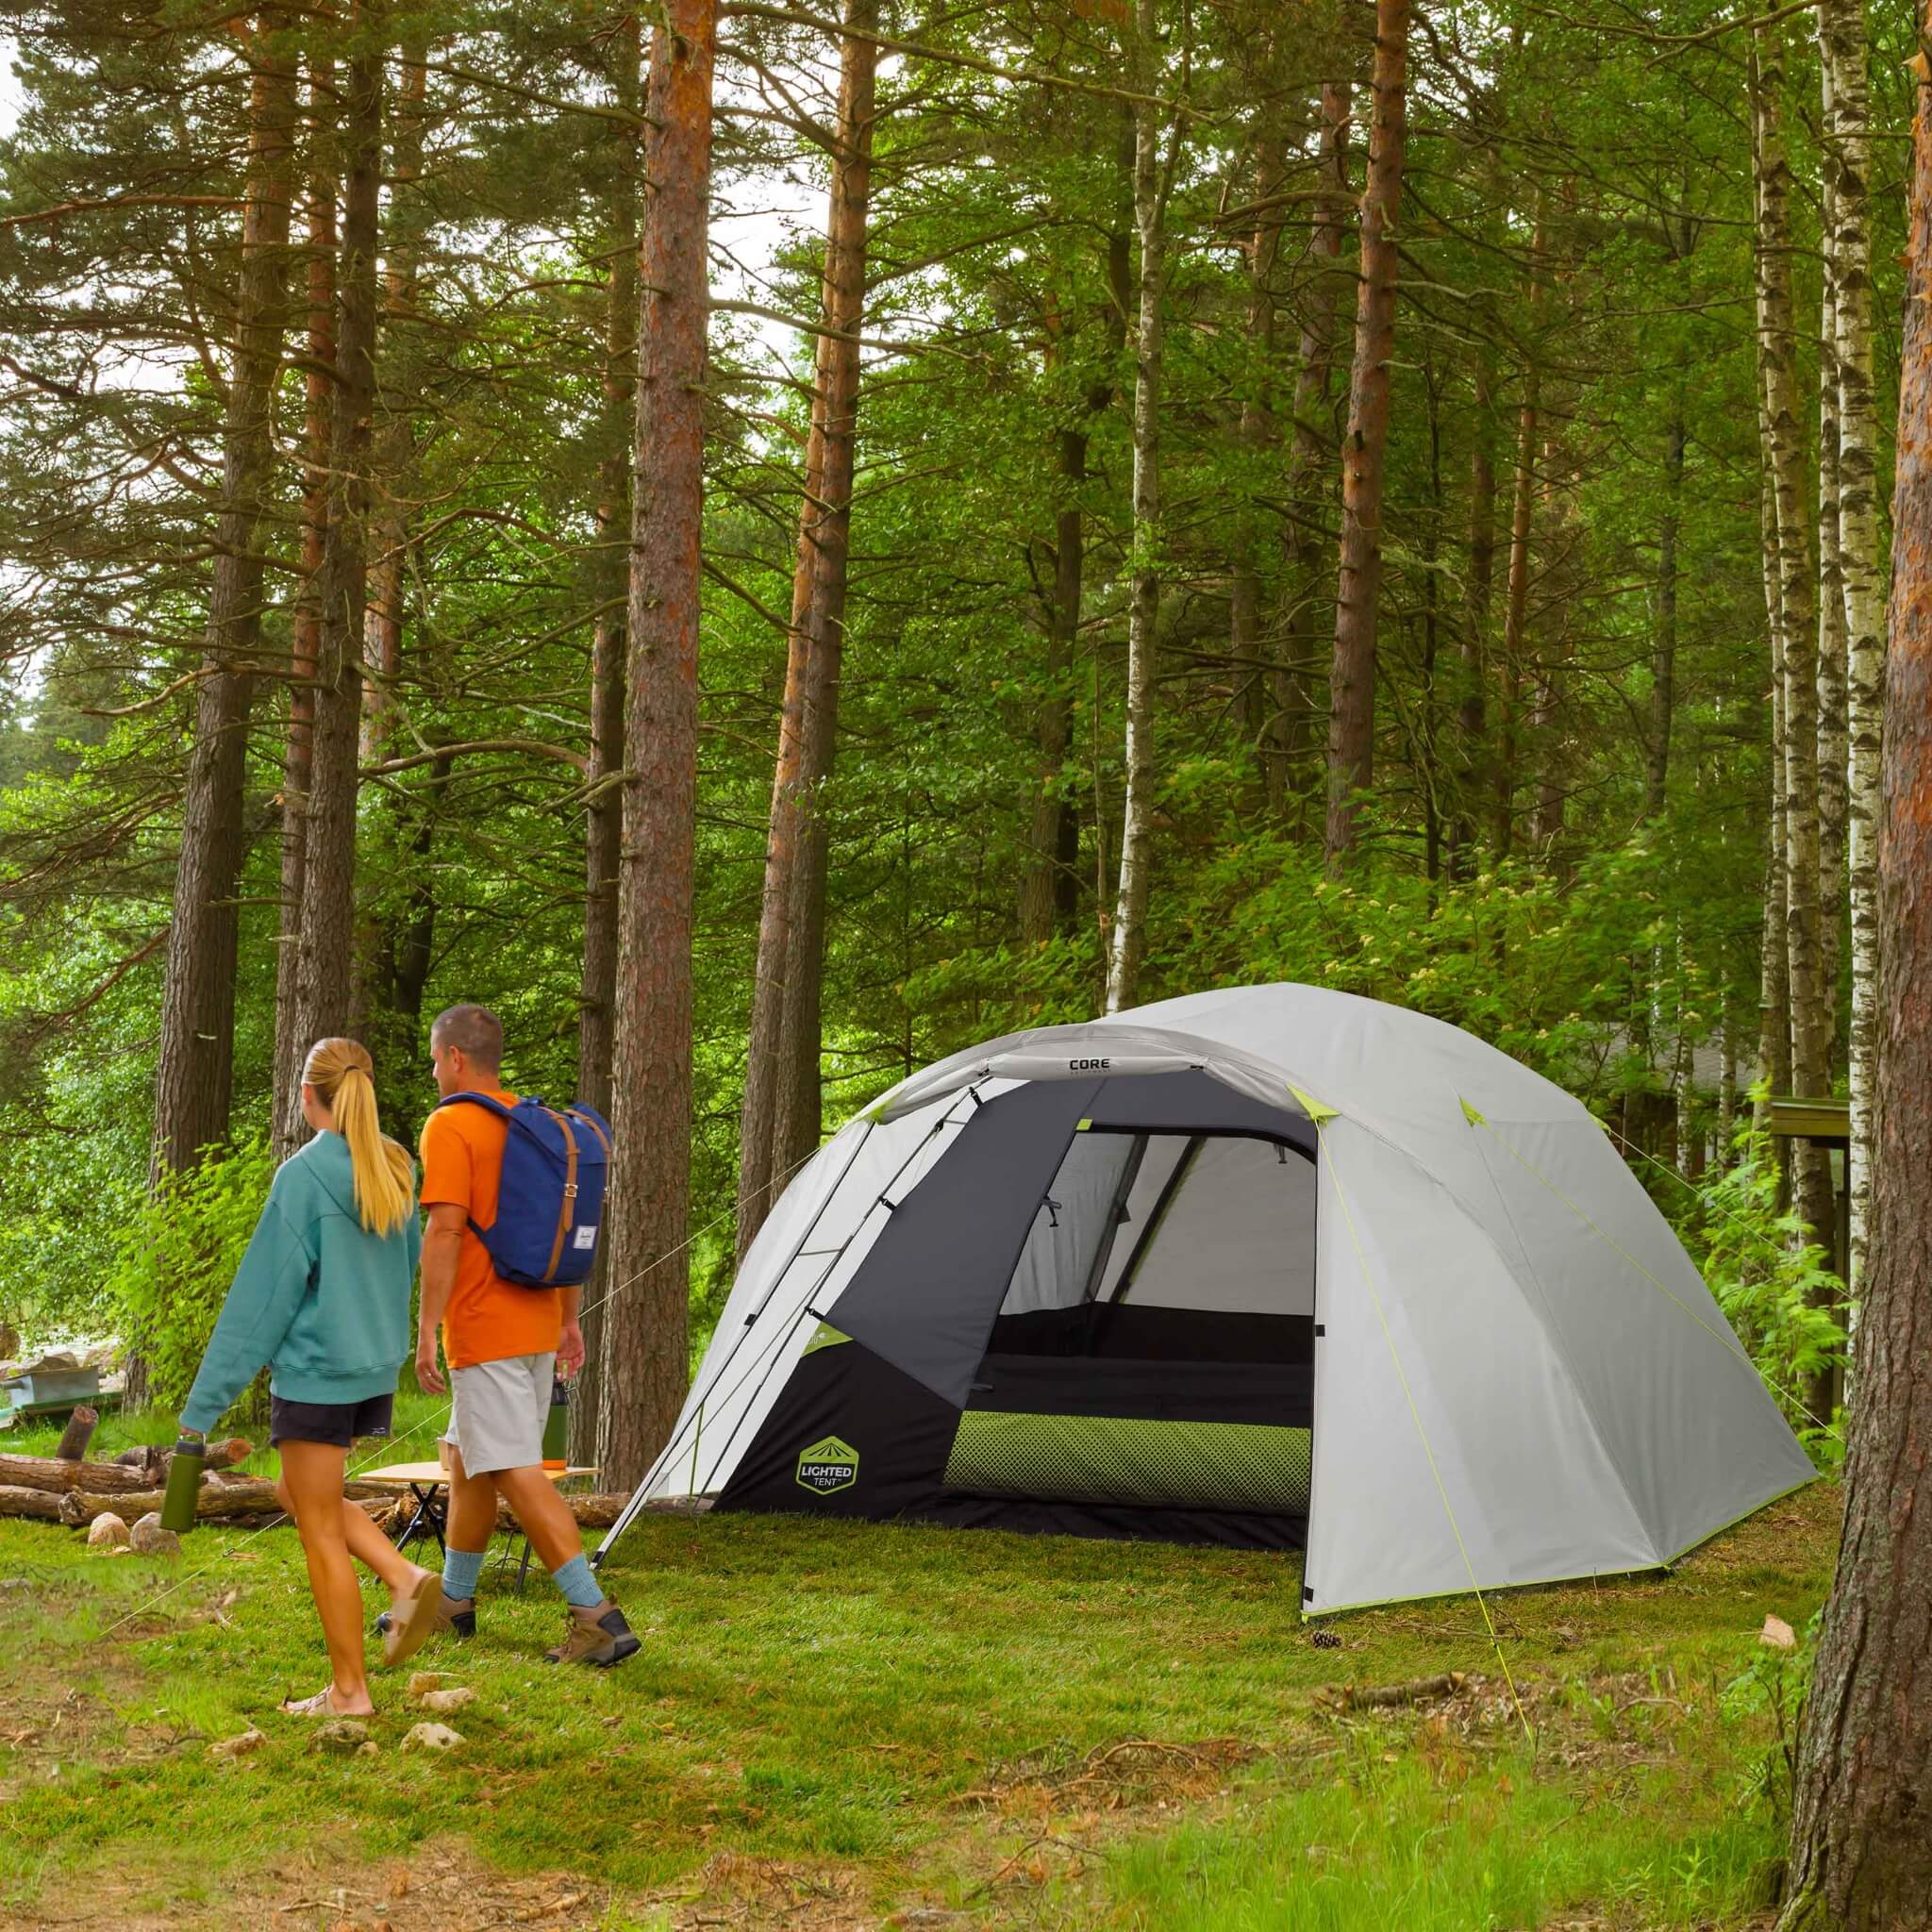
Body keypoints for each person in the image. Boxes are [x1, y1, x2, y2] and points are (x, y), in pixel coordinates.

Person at [180, 1038, 445, 1716]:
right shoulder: (395, 1163)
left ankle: (350, 1692)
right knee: (296, 1493)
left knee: (318, 1526)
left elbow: (260, 1304)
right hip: (369, 1372)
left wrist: (203, 1406)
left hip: (318, 1375)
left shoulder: (303, 1177)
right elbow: (406, 1266)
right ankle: (401, 1573)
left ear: (307, 1096)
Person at [393, 1004, 638, 1667]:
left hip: (484, 1327)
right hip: (535, 1323)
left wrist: (426, 1328)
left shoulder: (452, 1123)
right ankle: (454, 1600)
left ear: (454, 1058)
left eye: (434, 1061)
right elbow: (567, 1226)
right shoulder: (536, 1128)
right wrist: (566, 1319)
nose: (434, 1073)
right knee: (468, 1461)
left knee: (516, 1472)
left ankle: (596, 1616)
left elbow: (446, 1228)